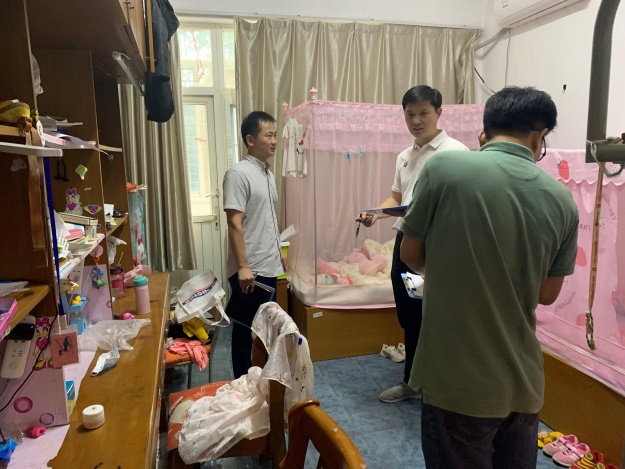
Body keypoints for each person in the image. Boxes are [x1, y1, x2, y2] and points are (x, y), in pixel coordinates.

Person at [399, 86, 579, 468]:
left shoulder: (444, 169)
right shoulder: (562, 200)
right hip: (523, 381)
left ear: (485, 132)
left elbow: (410, 255)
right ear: (539, 136)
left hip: (457, 381)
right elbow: (547, 293)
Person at [358, 85, 468, 403]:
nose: (416, 121)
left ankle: (435, 382)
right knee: (410, 310)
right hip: (406, 241)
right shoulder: (404, 157)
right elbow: (397, 196)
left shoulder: (456, 153)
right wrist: (376, 214)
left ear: (439, 113)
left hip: (437, 245)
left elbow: (460, 202)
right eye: (410, 115)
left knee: (436, 311)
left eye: (423, 113)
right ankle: (414, 380)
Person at [223, 111, 286, 379]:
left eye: (275, 135)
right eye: (268, 135)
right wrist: (243, 267)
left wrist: (278, 252)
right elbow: (234, 222)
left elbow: (267, 220)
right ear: (250, 140)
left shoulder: (266, 174)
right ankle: (242, 384)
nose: (274, 141)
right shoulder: (239, 174)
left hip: (268, 264)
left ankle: (262, 383)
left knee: (266, 330)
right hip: (251, 269)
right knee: (244, 331)